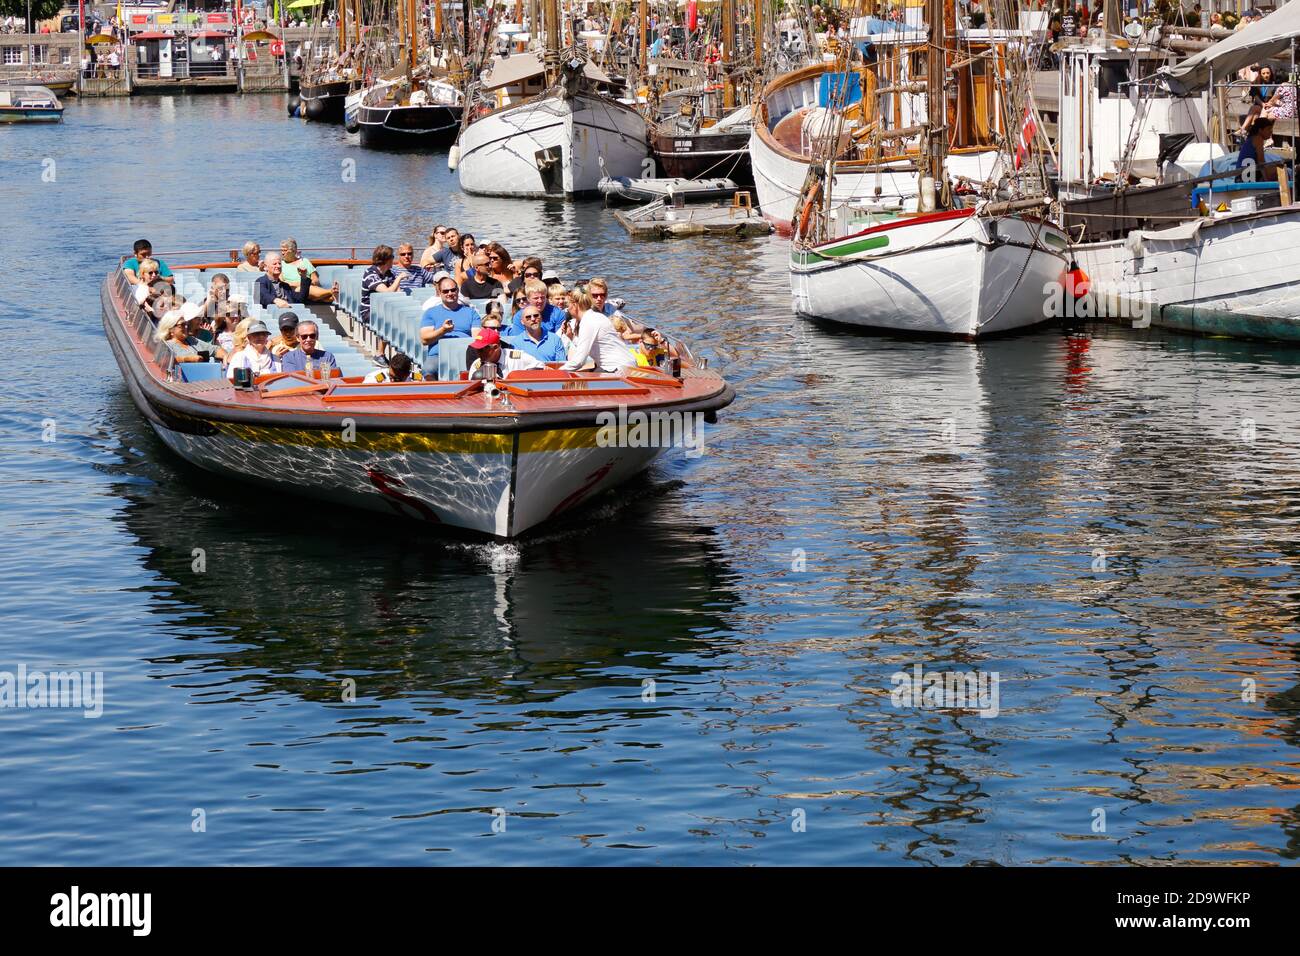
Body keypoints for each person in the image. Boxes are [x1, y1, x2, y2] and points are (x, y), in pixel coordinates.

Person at [561, 288, 636, 372]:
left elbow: (578, 361)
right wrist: (571, 336)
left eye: (568, 305)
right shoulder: (594, 316)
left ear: (575, 305)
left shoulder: (588, 321)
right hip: (624, 365)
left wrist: (557, 372)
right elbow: (590, 348)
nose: (567, 310)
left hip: (618, 368)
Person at [419, 275, 478, 375]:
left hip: (465, 353)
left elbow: (476, 338)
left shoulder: (471, 312)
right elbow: (424, 339)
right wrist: (443, 330)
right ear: (439, 293)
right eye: (445, 291)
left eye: (453, 290)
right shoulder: (430, 312)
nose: (450, 293)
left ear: (457, 291)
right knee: (428, 370)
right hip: (439, 354)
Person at [466, 327, 545, 379]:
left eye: (482, 349)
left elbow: (540, 366)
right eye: (477, 349)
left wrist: (518, 378)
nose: (478, 353)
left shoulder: (516, 357)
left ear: (496, 347)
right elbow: (471, 387)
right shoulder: (477, 365)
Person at [279, 238, 338, 303]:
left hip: (310, 288)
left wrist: (307, 284)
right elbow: (281, 283)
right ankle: (330, 292)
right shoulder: (280, 264)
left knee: (307, 289)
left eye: (285, 250)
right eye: (281, 250)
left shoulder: (305, 261)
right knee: (303, 289)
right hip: (293, 291)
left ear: (293, 251)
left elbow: (315, 280)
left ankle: (328, 296)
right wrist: (302, 284)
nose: (282, 253)